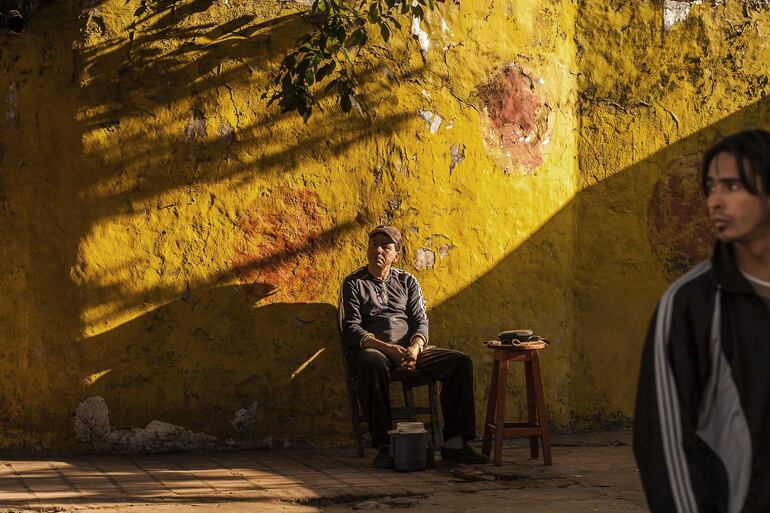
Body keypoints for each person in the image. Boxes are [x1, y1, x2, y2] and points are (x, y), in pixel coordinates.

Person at [634, 129, 770, 513]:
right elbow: (661, 441)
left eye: (732, 186)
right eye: (711, 187)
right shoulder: (689, 304)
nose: (715, 201)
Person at [339, 225, 487, 468]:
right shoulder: (353, 283)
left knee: (460, 363)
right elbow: (351, 329)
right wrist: (387, 348)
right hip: (376, 350)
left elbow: (421, 321)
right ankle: (385, 445)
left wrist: (415, 348)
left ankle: (455, 444)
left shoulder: (407, 281)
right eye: (374, 244)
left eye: (386, 247)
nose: (378, 250)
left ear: (396, 254)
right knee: (369, 363)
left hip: (411, 350)